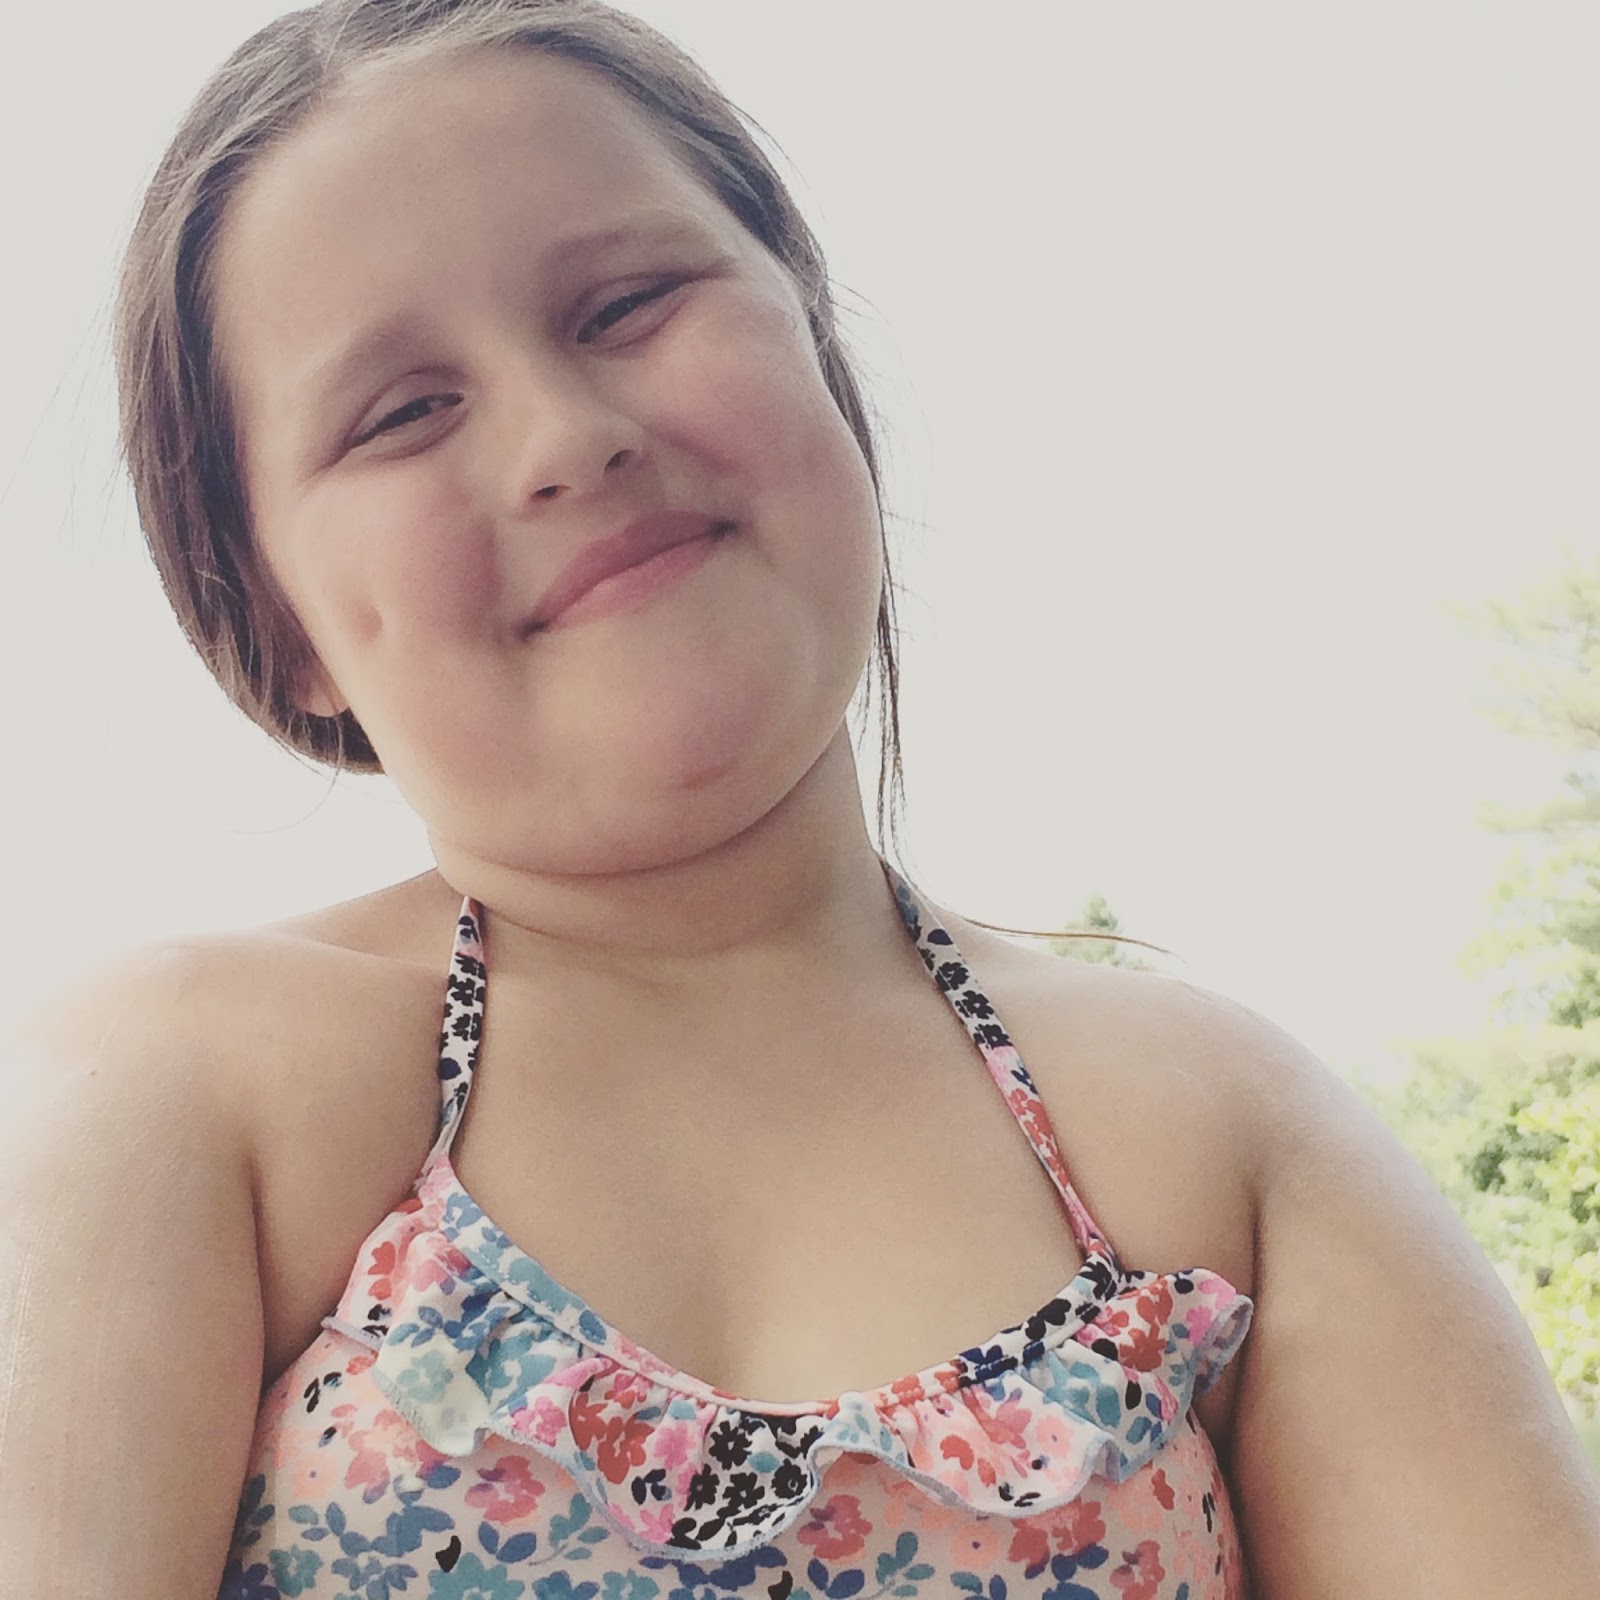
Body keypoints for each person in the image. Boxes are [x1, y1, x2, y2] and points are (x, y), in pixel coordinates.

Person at [2, 1, 1596, 1594]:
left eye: (627, 304)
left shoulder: (1216, 1131)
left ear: (814, 342)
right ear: (276, 620)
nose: (566, 436)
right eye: (403, 411)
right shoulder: (181, 1087)